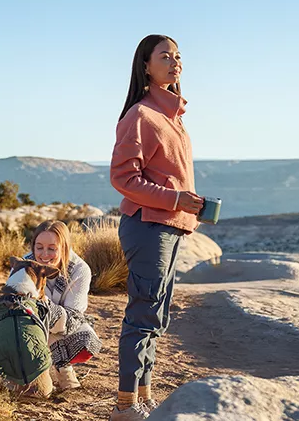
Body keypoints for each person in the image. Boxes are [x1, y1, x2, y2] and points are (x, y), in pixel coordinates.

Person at [108, 34, 205, 421]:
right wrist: (175, 199)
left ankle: (143, 397)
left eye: (178, 56)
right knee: (144, 313)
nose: (174, 61)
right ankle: (124, 405)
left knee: (157, 315)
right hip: (147, 226)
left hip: (171, 227)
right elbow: (123, 178)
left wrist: (186, 204)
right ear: (145, 65)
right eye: (165, 56)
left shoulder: (173, 117)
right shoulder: (140, 115)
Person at [4, 220, 100, 391]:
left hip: (62, 323)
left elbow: (73, 316)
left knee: (86, 338)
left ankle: (63, 367)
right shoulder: (22, 265)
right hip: (28, 322)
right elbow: (11, 301)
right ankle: (24, 370)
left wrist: (43, 307)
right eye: (39, 247)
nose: (44, 255)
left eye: (52, 248)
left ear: (64, 247)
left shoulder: (79, 269)